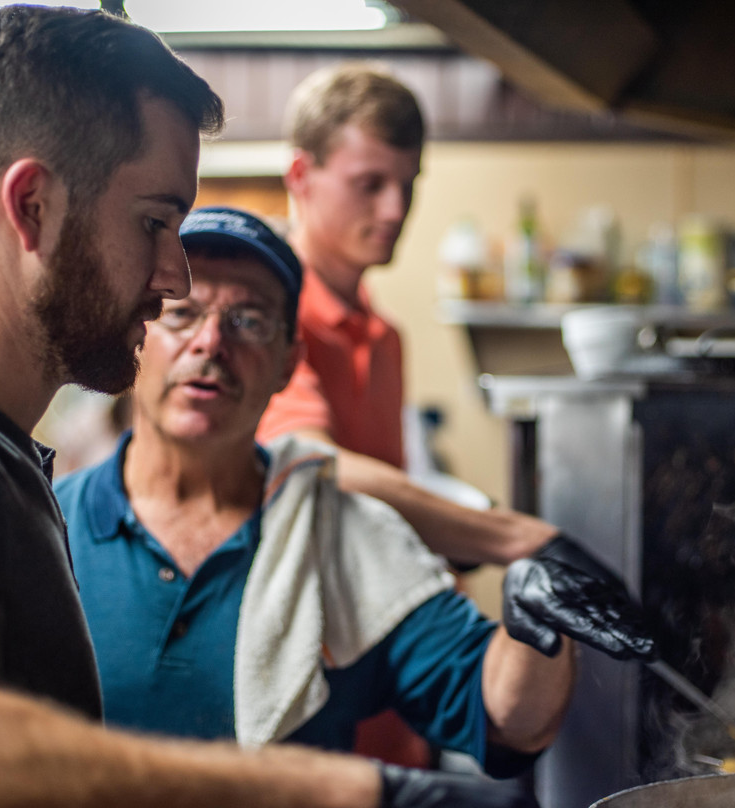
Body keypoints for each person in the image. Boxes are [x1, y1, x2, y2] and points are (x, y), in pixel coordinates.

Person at [0, 8, 542, 807]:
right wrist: (334, 791)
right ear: (34, 207)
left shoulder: (0, 456)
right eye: (156, 222)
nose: (175, 279)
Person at [55, 207, 582, 778]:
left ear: (289, 363)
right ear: (138, 334)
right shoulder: (51, 524)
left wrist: (536, 624)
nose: (211, 342)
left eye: (249, 320)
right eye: (182, 313)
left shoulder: (338, 536)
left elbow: (505, 717)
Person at [257, 62, 657, 765]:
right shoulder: (272, 322)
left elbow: (377, 512)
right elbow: (318, 471)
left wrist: (458, 539)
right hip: (310, 698)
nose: (393, 211)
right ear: (300, 175)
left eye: (407, 186)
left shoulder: (383, 337)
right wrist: (521, 538)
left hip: (396, 679)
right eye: (369, 184)